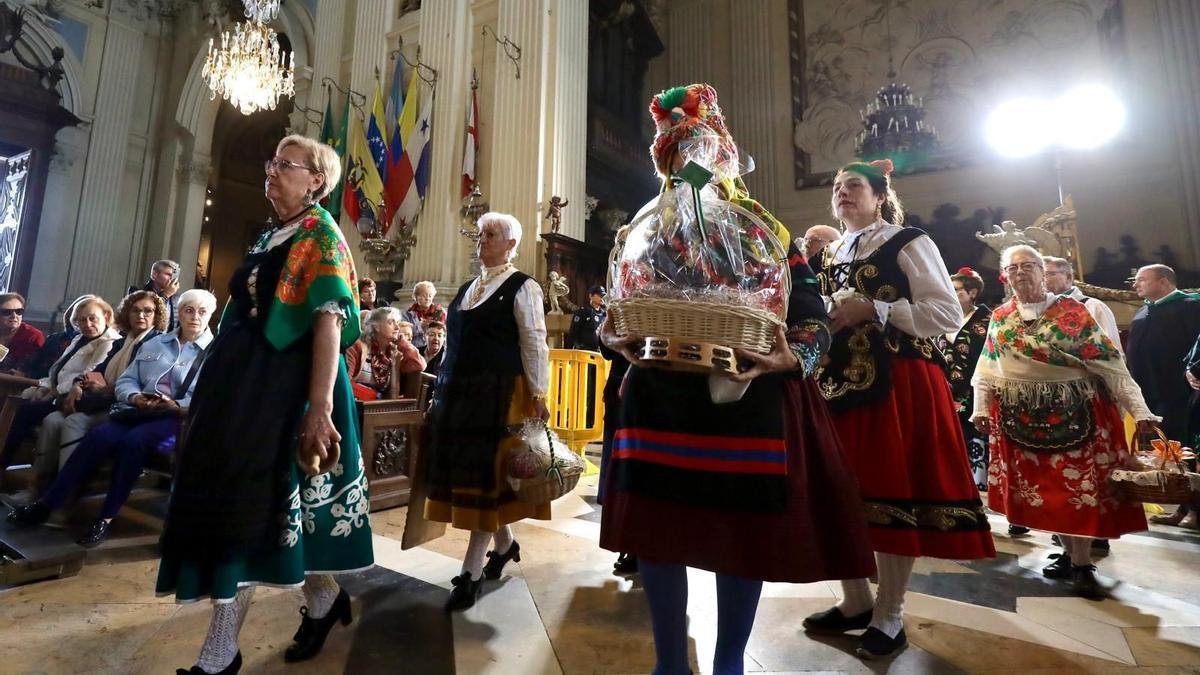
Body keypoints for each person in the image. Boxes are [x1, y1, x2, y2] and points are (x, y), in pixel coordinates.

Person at [600, 83, 875, 675]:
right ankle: (669, 662)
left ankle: (729, 662)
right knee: (656, 531)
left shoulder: (765, 231)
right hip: (659, 395)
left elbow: (811, 316)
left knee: (741, 533)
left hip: (745, 395)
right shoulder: (643, 232)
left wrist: (789, 358)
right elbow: (616, 310)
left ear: (721, 154)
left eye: (696, 152)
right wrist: (612, 337)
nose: (687, 167)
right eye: (676, 157)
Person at [155, 135, 372, 674]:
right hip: (239, 384)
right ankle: (326, 601)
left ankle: (218, 655)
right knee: (267, 508)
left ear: (316, 180)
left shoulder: (323, 236)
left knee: (247, 509)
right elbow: (239, 314)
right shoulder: (270, 235)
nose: (271, 170)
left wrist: (318, 408)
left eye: (286, 164)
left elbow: (329, 322)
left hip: (287, 387)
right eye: (271, 160)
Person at [806, 159, 994, 659]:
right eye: (838, 187)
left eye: (854, 186)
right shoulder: (830, 255)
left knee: (893, 490)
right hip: (838, 384)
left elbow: (946, 315)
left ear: (879, 196)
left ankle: (890, 613)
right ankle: (855, 602)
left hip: (901, 380)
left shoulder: (909, 241)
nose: (843, 193)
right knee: (839, 492)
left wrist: (874, 309)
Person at [971, 245, 1154, 599]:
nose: (1021, 272)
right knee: (1047, 496)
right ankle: (1070, 555)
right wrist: (981, 407)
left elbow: (1111, 364)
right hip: (1017, 417)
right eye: (1013, 268)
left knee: (1079, 494)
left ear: (1043, 271)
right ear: (1005, 276)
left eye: (1028, 266)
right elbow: (987, 370)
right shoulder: (1001, 317)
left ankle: (1083, 563)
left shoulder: (1075, 312)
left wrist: (1140, 410)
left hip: (1077, 414)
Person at [6, 290, 215, 547]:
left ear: (210, 315)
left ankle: (104, 518)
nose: (194, 317)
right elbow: (127, 380)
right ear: (179, 313)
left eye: (202, 312)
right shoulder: (156, 345)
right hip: (135, 410)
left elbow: (212, 396)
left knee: (132, 443)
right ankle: (48, 503)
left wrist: (176, 403)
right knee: (99, 436)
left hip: (174, 418)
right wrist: (134, 397)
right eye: (188, 310)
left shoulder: (214, 353)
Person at [422, 211, 553, 612]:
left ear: (512, 243)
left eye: (492, 234)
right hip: (459, 395)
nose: (483, 240)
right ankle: (506, 546)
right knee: (473, 481)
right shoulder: (465, 288)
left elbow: (534, 341)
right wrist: (438, 390)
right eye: (480, 234)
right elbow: (453, 348)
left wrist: (540, 392)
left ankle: (471, 572)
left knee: (485, 478)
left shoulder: (523, 287)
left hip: (500, 395)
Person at [29, 290, 166, 489]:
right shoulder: (122, 342)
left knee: (73, 421)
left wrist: (107, 388)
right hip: (100, 401)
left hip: (124, 407)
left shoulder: (158, 345)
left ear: (157, 315)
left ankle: (64, 495)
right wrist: (77, 385)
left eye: (148, 311)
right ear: (127, 313)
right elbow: (95, 371)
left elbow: (146, 385)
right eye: (135, 310)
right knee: (52, 420)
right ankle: (36, 489)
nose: (141, 315)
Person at [0, 296, 119, 480]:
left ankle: (4, 465)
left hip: (80, 398)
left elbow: (89, 374)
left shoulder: (109, 342)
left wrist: (53, 392)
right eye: (82, 320)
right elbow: (57, 369)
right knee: (18, 403)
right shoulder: (80, 338)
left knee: (24, 412)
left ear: (105, 315)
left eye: (92, 318)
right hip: (58, 391)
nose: (87, 324)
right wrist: (44, 387)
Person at [1127, 264, 1200, 527]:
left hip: (1184, 394)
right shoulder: (1145, 310)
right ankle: (1181, 505)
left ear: (1164, 281)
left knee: (1189, 451)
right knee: (1169, 453)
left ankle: (1196, 508)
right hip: (1154, 395)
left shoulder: (1190, 306)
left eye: (1142, 280)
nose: (1136, 285)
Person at [935, 267, 992, 491]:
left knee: (976, 442)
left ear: (973, 293)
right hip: (945, 393)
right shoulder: (940, 318)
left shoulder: (989, 320)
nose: (951, 294)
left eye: (957, 290)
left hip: (975, 392)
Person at [345, 307, 425, 399]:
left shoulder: (394, 352)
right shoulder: (358, 347)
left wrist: (403, 345)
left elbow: (419, 365)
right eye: (391, 322)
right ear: (376, 326)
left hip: (383, 407)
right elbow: (345, 383)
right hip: (357, 403)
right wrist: (371, 395)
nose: (397, 327)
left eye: (397, 323)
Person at [1043, 256, 1121, 349]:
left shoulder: (1092, 306)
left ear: (1068, 277)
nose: (1042, 280)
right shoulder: (1040, 309)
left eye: (1048, 274)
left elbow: (1112, 351)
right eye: (1040, 275)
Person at [22, 295, 90, 380]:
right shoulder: (54, 339)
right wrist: (24, 374)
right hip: (37, 383)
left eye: (92, 318)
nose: (87, 323)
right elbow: (32, 365)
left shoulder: (97, 345)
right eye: (80, 318)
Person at [130, 259, 181, 331]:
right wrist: (166, 295)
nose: (172, 279)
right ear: (155, 274)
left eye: (173, 276)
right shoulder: (137, 291)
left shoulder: (177, 297)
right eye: (168, 274)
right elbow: (149, 313)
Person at [0, 293, 44, 374]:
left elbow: (30, 371)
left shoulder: (33, 336)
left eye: (19, 311)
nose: (14, 316)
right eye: (6, 312)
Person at [401, 280, 445, 351]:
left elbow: (442, 332)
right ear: (416, 296)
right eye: (424, 295)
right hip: (413, 349)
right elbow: (405, 334)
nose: (427, 298)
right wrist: (420, 326)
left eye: (430, 296)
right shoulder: (408, 313)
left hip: (435, 350)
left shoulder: (439, 312)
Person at [566, 285, 606, 351]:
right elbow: (573, 332)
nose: (602, 297)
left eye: (603, 295)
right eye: (599, 295)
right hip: (585, 352)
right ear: (591, 296)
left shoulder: (604, 314)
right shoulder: (583, 312)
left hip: (599, 353)